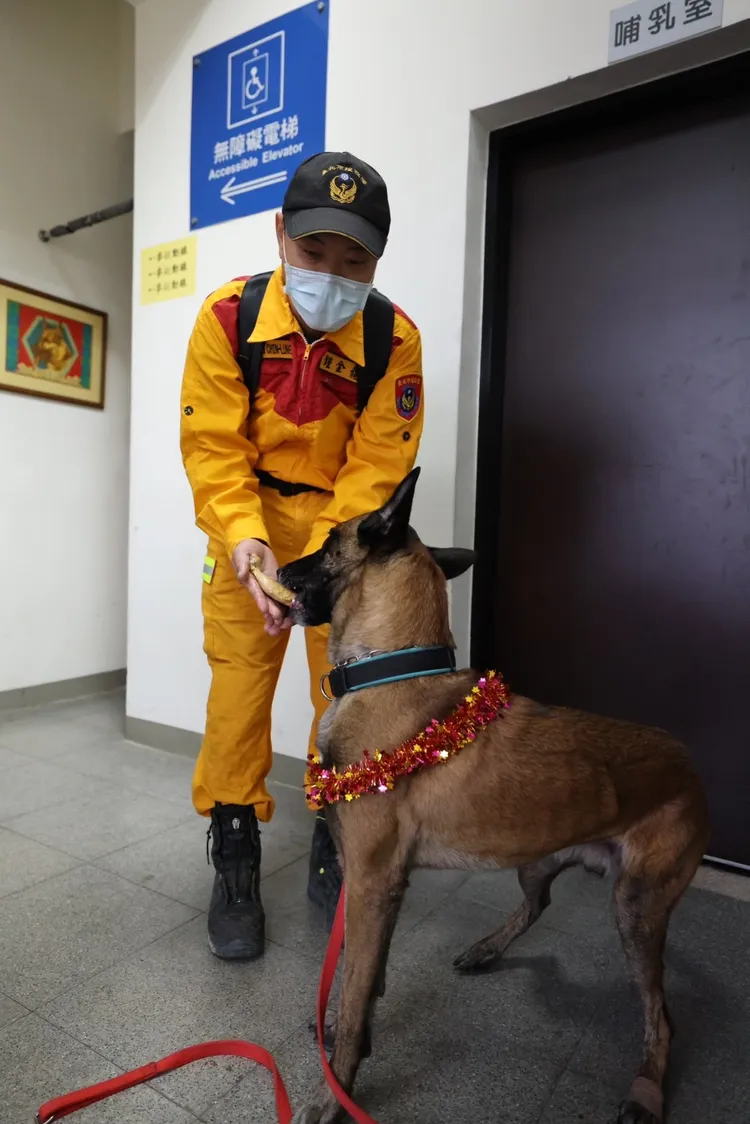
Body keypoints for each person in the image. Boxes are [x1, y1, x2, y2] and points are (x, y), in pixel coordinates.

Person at [179, 151, 424, 960]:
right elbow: (214, 449)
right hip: (245, 532)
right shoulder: (226, 319)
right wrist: (246, 545)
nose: (332, 274)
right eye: (315, 253)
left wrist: (326, 566)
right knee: (238, 700)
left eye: (354, 260)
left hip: (342, 548)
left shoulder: (394, 339)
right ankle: (236, 847)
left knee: (346, 701)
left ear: (377, 260)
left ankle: (335, 833)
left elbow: (377, 464)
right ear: (280, 233)